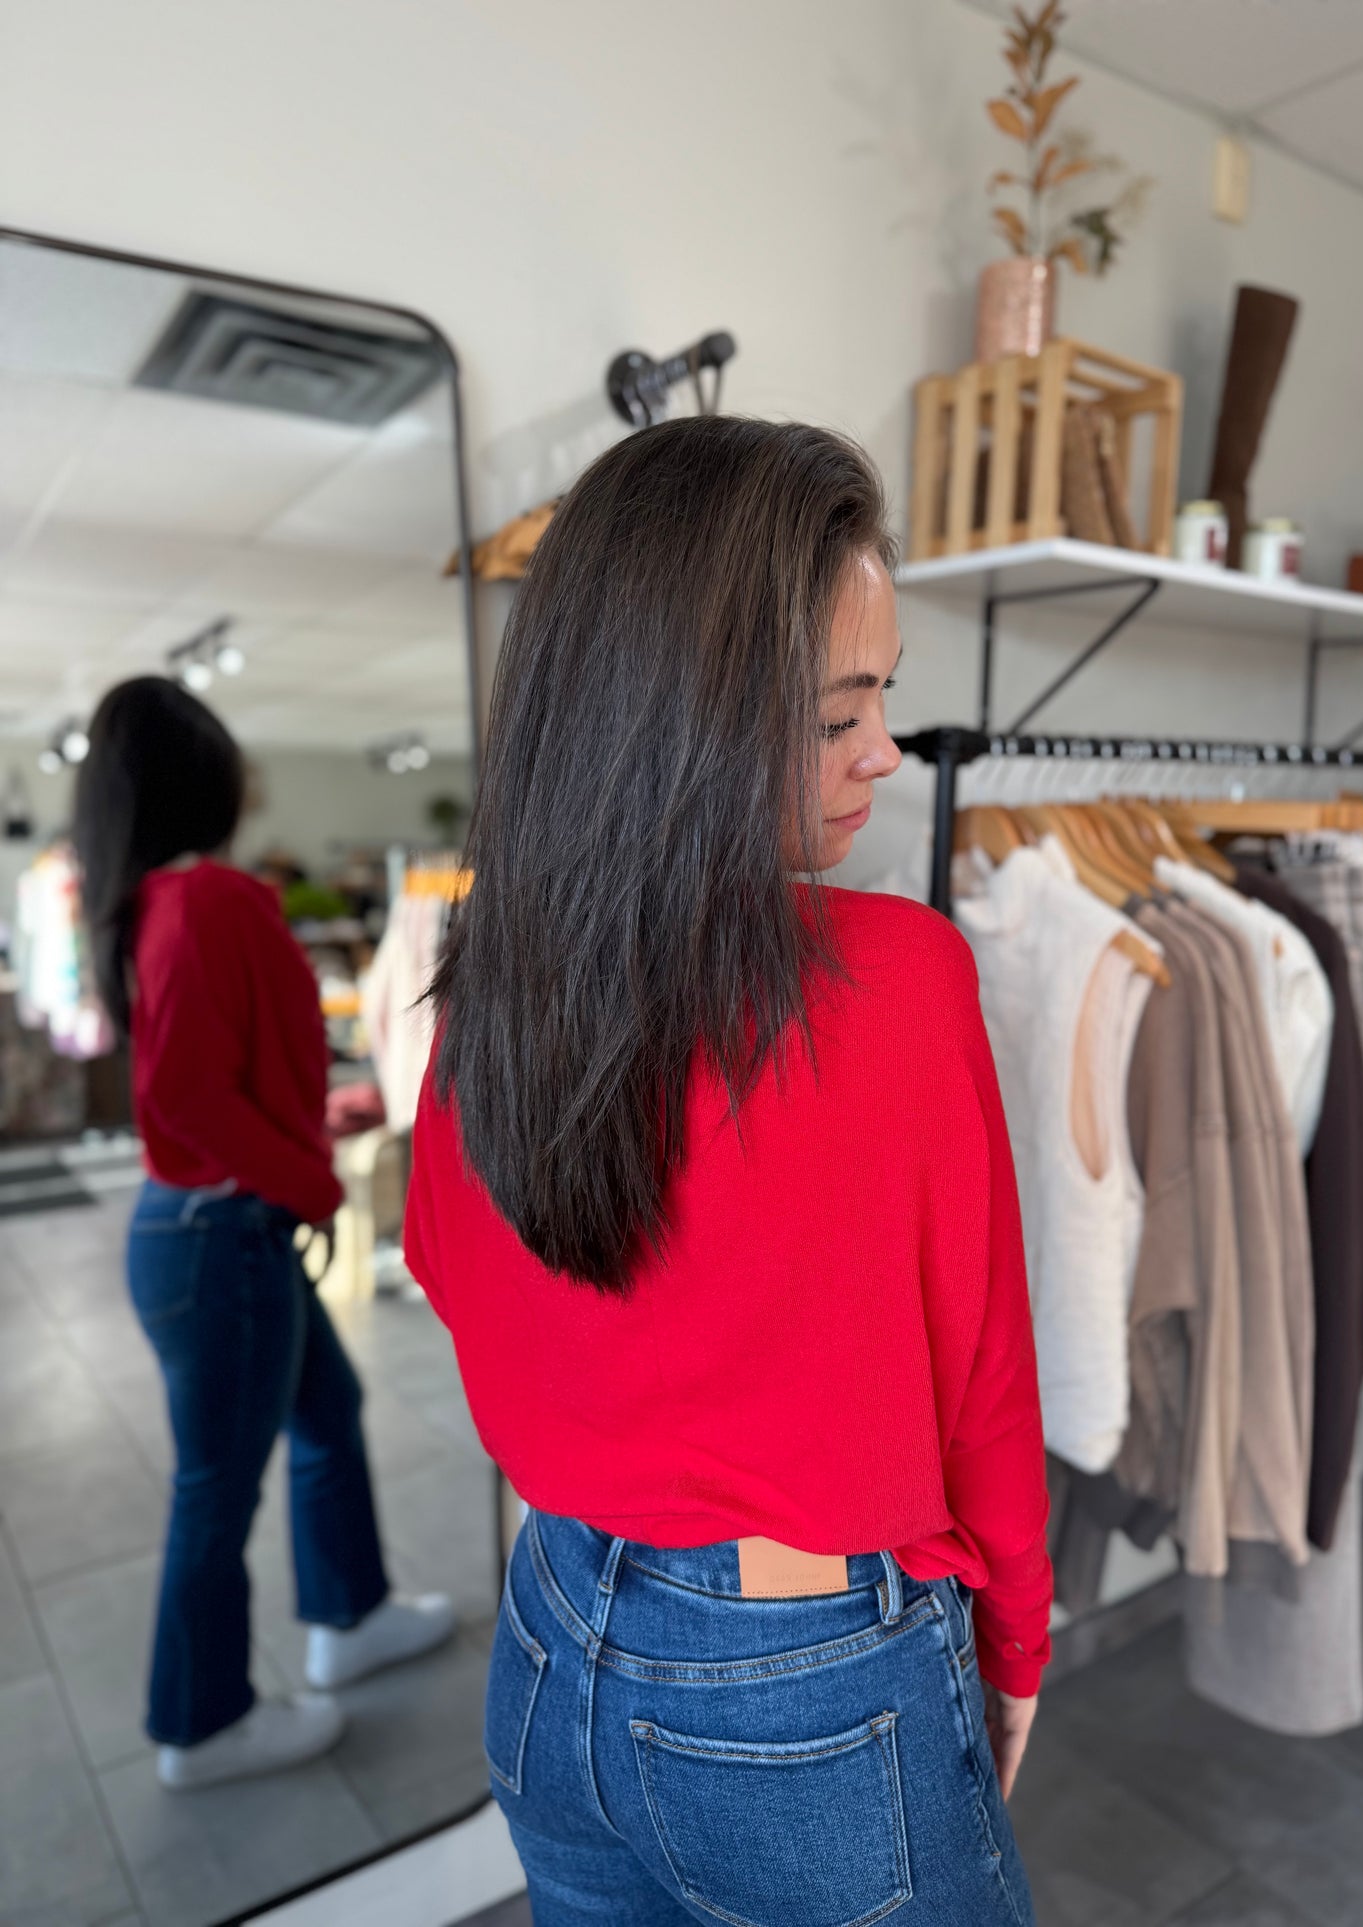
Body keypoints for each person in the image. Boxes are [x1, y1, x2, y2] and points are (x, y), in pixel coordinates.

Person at [406, 418, 1051, 1923]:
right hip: (803, 1683)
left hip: (552, 1629)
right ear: (682, 718)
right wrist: (1014, 1636)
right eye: (840, 714)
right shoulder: (895, 979)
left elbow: (453, 1272)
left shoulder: (492, 978)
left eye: (880, 698)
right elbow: (983, 1372)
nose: (883, 748)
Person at [74, 678, 455, 1792]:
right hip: (223, 1234)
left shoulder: (156, 903)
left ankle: (349, 1611)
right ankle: (199, 1722)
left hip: (203, 1226)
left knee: (326, 1413)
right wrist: (310, 1181)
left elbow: (205, 1080)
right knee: (217, 1484)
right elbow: (189, 1095)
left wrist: (307, 1127)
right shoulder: (212, 899)